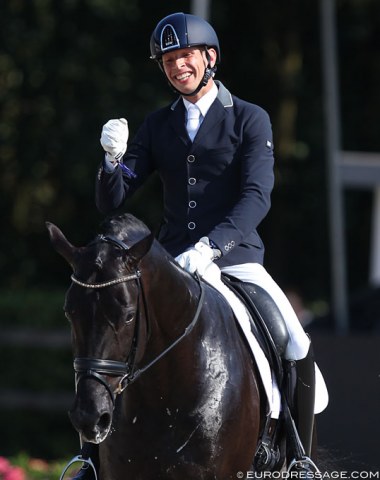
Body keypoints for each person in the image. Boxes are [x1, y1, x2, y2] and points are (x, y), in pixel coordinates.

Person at [71, 12, 328, 478]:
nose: (175, 66)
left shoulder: (249, 118)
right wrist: (111, 162)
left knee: (293, 339)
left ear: (209, 58)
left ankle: (299, 457)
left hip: (235, 259)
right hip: (171, 262)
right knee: (105, 329)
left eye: (184, 55)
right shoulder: (157, 124)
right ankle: (90, 460)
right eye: (167, 60)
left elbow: (257, 196)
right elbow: (113, 200)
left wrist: (212, 246)